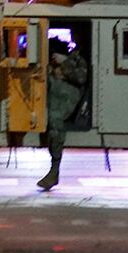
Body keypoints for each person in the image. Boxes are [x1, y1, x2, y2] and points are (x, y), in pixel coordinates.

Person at [37, 37, 89, 191]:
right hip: (55, 96)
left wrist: (64, 62)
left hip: (67, 98)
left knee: (55, 121)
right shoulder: (71, 55)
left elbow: (81, 77)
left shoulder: (79, 58)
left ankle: (54, 170)